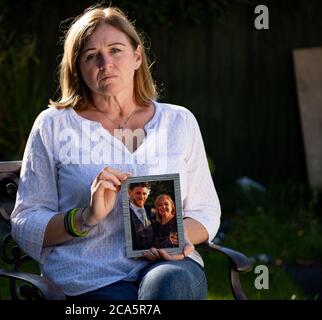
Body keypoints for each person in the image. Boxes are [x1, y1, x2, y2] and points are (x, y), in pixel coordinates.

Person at [11, 5, 220, 300]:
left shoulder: (178, 121)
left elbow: (206, 210)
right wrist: (84, 217)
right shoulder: (54, 125)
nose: (105, 63)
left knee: (170, 284)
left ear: (137, 56)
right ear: (78, 69)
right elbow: (25, 222)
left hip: (167, 267)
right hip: (89, 277)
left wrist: (177, 236)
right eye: (91, 55)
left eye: (115, 50)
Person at [128, 182, 154, 250]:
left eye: (144, 194)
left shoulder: (149, 209)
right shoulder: (126, 212)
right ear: (130, 192)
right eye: (138, 193)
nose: (142, 197)